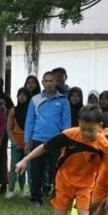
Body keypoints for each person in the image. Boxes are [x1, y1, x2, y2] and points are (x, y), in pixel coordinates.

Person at [24, 71, 71, 206]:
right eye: (46, 81)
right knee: (36, 170)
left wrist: (65, 140)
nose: (49, 83)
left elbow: (66, 123)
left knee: (57, 171)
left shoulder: (63, 101)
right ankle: (35, 198)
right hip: (38, 139)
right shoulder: (35, 100)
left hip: (57, 140)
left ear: (55, 82)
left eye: (51, 81)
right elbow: (30, 121)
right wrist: (28, 140)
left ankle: (57, 197)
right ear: (43, 83)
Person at [6, 88, 31, 198]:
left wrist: (29, 143)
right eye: (19, 94)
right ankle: (10, 189)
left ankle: (22, 189)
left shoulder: (32, 110)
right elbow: (9, 128)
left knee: (26, 168)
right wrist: (14, 141)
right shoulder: (13, 111)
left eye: (24, 95)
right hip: (16, 144)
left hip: (28, 144)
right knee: (13, 167)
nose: (21, 97)